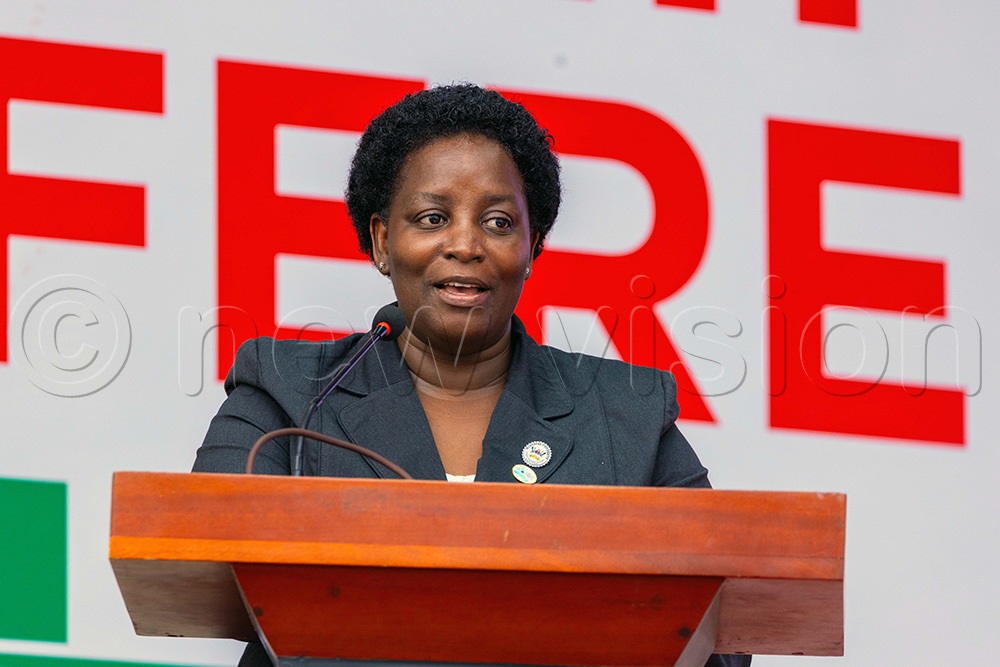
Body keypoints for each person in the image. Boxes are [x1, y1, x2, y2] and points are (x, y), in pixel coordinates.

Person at [194, 83, 750, 667]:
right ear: (383, 241)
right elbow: (202, 551)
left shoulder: (626, 414)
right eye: (433, 218)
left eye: (499, 222)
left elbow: (719, 632)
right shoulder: (288, 393)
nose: (465, 244)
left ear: (533, 244)